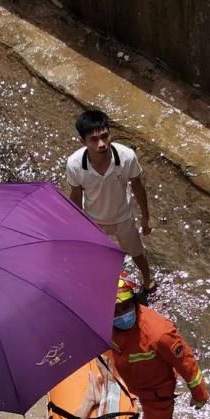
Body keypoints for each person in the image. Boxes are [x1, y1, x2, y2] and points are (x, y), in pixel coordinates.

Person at [110, 274, 209, 419]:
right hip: (136, 386)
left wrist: (199, 393)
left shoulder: (159, 334)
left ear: (135, 302)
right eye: (115, 311)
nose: (121, 315)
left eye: (126, 307)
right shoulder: (107, 324)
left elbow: (187, 363)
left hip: (157, 393)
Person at [66, 108, 155, 292]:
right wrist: (76, 224)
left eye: (105, 136)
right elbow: (76, 194)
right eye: (93, 139)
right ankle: (105, 287)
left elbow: (138, 186)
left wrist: (146, 217)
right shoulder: (74, 164)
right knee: (98, 256)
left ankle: (148, 281)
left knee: (137, 253)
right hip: (94, 220)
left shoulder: (126, 156)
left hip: (123, 217)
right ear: (83, 141)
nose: (101, 144)